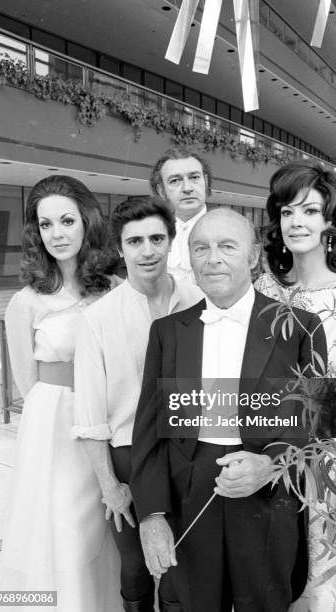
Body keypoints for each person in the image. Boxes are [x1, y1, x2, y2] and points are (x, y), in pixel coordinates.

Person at [131, 208, 328, 612]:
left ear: (253, 256)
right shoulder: (167, 332)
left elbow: (315, 425)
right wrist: (151, 514)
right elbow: (149, 431)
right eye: (201, 248)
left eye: (227, 246)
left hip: (266, 494)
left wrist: (271, 465)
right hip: (188, 491)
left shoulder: (301, 327)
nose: (213, 258)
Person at [254, 160, 336, 610]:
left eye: (309, 211)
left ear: (331, 219)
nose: (296, 222)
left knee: (327, 580)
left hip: (332, 461)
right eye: (287, 212)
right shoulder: (264, 291)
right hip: (269, 455)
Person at [72, 196, 203, 612]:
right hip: (129, 455)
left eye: (156, 238)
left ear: (170, 240)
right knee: (135, 565)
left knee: (180, 564)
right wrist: (110, 485)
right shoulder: (99, 319)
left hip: (189, 451)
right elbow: (91, 416)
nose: (147, 250)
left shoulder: (199, 302)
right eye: (135, 241)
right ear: (121, 248)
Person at [0, 175, 123, 611]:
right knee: (63, 527)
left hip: (110, 416)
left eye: (67, 221)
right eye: (46, 224)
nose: (57, 234)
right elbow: (28, 384)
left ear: (87, 222)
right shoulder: (26, 302)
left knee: (104, 526)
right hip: (55, 426)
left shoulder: (114, 290)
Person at [150, 146, 211, 283]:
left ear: (205, 181)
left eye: (194, 177)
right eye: (175, 181)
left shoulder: (230, 230)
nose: (187, 188)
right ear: (161, 190)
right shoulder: (151, 235)